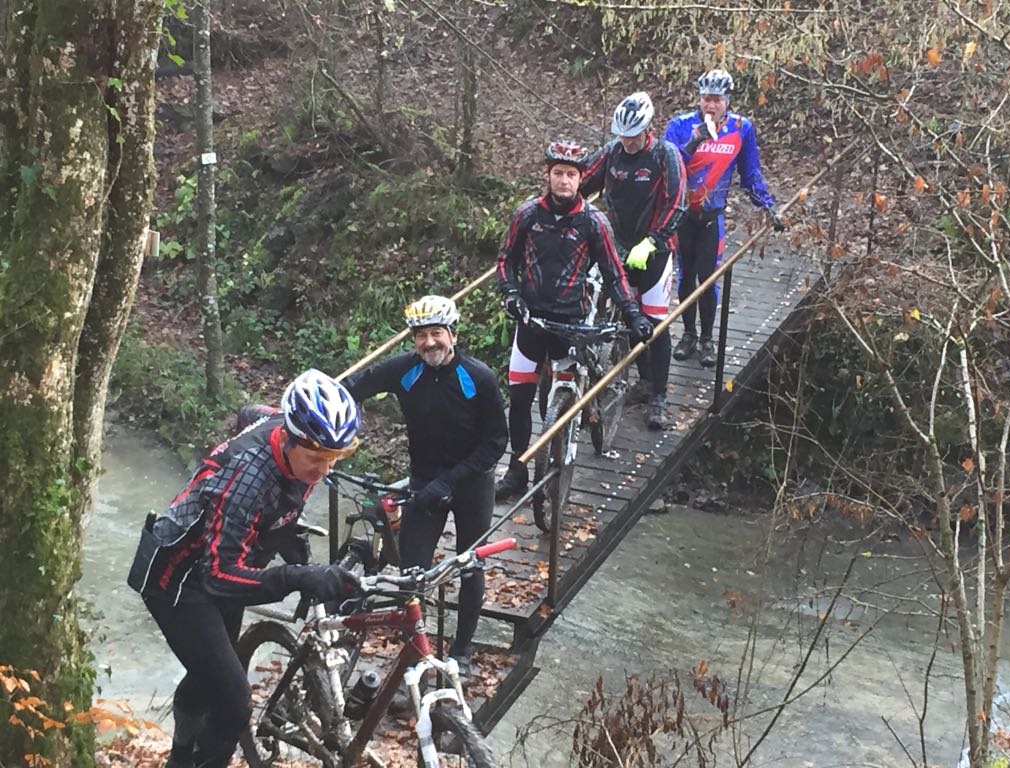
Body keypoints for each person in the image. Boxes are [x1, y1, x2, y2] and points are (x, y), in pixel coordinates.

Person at [127, 369, 363, 768]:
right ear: (289, 439)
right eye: (316, 459)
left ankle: (180, 757)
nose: (325, 470)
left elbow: (249, 411)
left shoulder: (283, 427)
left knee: (209, 677)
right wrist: (296, 577)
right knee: (234, 700)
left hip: (232, 558)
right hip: (178, 578)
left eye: (334, 458)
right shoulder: (246, 479)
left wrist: (284, 532)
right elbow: (219, 578)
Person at [342, 295, 508, 679]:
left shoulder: (478, 377)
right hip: (423, 480)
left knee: (470, 565)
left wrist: (449, 481)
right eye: (421, 336)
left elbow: (496, 443)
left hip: (470, 482)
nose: (429, 343)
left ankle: (462, 652)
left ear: (452, 334)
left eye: (436, 333)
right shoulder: (406, 370)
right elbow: (355, 385)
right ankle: (416, 653)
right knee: (411, 571)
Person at [494, 139, 654, 499]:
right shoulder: (527, 215)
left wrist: (634, 314)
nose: (564, 180)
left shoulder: (593, 222)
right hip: (531, 319)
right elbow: (506, 261)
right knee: (519, 398)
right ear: (547, 176)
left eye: (570, 174)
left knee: (561, 395)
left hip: (571, 322)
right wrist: (511, 294)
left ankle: (560, 458)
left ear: (581, 179)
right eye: (557, 174)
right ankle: (517, 473)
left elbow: (614, 274)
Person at [663, 69, 786, 367]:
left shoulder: (741, 128)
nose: (710, 106)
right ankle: (688, 334)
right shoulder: (680, 125)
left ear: (727, 101)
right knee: (685, 276)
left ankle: (707, 338)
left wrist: (767, 206)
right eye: (706, 99)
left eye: (716, 100)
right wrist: (693, 143)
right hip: (682, 215)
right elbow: (666, 167)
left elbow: (750, 173)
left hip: (712, 216)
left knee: (708, 277)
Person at [580, 91, 685, 430]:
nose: (627, 141)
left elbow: (677, 202)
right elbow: (580, 182)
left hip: (655, 248)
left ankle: (659, 397)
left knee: (655, 322)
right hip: (619, 246)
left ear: (647, 129)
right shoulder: (612, 152)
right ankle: (641, 379)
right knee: (628, 313)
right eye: (622, 134)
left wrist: (654, 240)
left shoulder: (664, 154)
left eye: (633, 135)